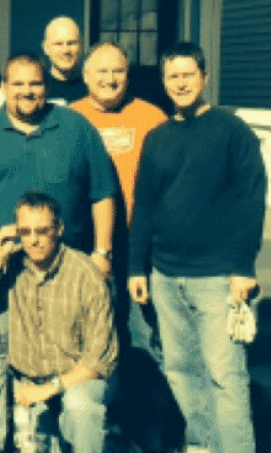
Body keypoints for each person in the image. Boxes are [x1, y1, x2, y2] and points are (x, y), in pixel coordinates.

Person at [0, 53, 117, 453]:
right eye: (17, 84)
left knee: (56, 352)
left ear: (46, 87)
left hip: (57, 261)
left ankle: (52, 440)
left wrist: (102, 250)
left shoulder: (74, 128)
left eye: (34, 84)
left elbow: (103, 191)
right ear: (3, 88)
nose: (26, 91)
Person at [128, 42, 267, 453]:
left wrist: (243, 267)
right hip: (165, 277)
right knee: (181, 369)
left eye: (188, 74)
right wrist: (138, 267)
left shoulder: (232, 132)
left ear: (204, 77)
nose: (181, 83)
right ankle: (205, 444)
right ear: (164, 82)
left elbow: (250, 200)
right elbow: (145, 205)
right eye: (173, 76)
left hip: (217, 278)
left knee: (226, 376)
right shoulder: (158, 138)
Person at [69, 42, 170, 452]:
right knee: (96, 339)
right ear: (85, 76)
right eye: (101, 72)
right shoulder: (71, 118)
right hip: (91, 249)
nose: (110, 80)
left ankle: (150, 431)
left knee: (143, 338)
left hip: (141, 247)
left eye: (118, 72)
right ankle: (104, 428)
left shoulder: (151, 117)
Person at [0, 191, 118, 453]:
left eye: (42, 231)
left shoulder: (86, 274)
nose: (34, 240)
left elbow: (100, 359)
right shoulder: (10, 267)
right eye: (25, 232)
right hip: (28, 383)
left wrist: (50, 389)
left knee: (80, 406)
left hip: (77, 380)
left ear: (59, 229)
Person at [42, 16, 88, 105]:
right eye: (58, 44)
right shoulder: (37, 88)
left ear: (81, 46)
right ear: (46, 48)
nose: (65, 50)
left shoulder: (94, 87)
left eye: (72, 43)